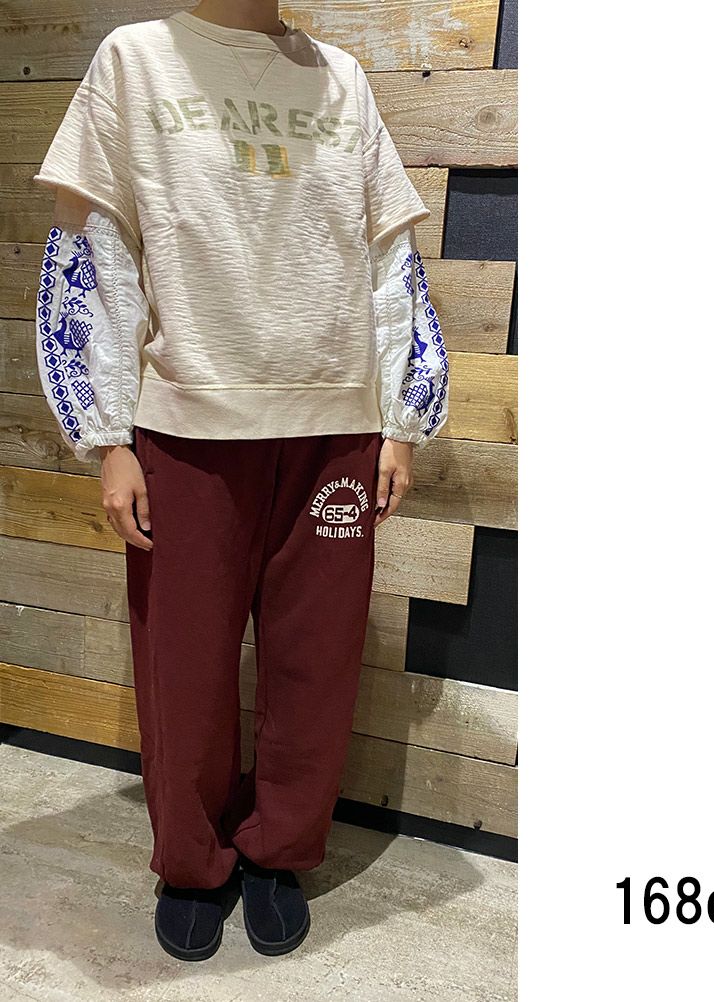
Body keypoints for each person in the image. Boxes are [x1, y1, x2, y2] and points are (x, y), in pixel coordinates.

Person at [33, 1, 449, 962]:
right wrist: (108, 436)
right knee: (183, 667)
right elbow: (95, 253)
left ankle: (279, 851)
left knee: (317, 664)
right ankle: (191, 862)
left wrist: (402, 419)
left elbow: (388, 256)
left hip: (335, 424)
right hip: (187, 423)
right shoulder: (135, 60)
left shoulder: (341, 77)